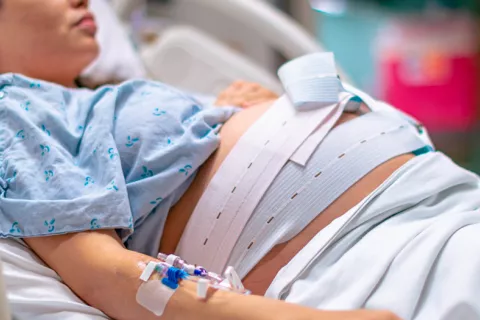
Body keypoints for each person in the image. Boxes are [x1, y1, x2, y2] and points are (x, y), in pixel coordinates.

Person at [2, 1, 479, 320]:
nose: (84, 0)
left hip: (431, 200)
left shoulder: (106, 100)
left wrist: (247, 111)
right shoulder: (11, 109)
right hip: (365, 254)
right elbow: (107, 278)